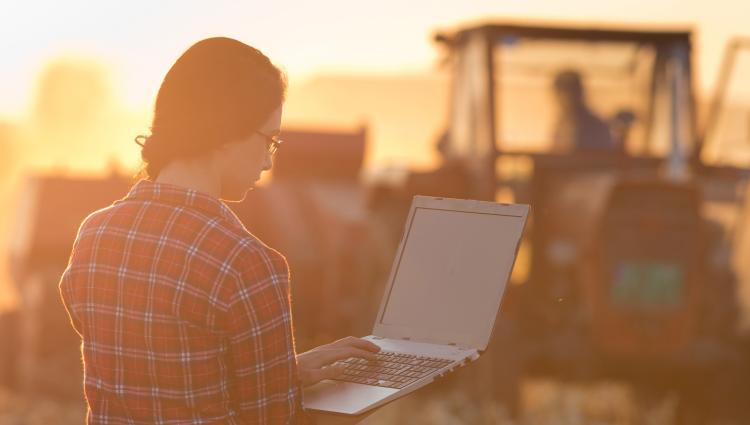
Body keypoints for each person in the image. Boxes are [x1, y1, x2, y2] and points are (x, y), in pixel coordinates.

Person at [59, 37, 380, 425]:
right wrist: (361, 404)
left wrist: (280, 372)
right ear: (227, 132)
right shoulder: (248, 265)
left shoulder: (94, 237)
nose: (266, 161)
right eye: (270, 140)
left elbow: (161, 377)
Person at [552, 70, 616, 152]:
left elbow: (604, 158)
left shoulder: (597, 127)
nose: (566, 98)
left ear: (579, 92)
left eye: (570, 92)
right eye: (561, 93)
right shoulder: (561, 126)